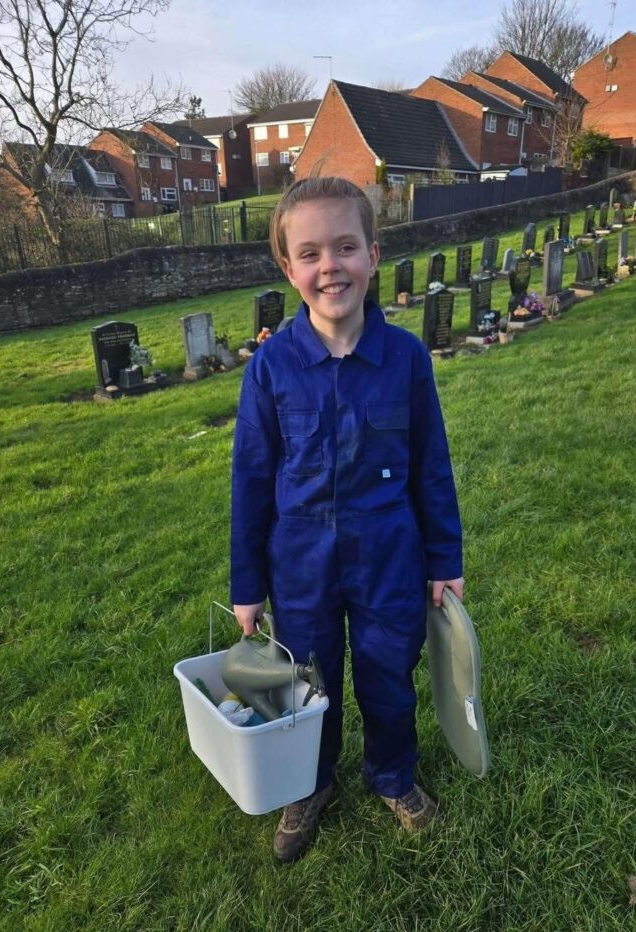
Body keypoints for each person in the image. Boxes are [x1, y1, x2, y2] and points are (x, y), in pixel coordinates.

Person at [230, 176, 463, 862]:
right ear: (288, 268)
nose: (329, 265)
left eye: (345, 246)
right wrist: (248, 585)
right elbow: (250, 481)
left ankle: (393, 774)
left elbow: (432, 467)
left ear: (373, 253)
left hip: (390, 552)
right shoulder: (271, 369)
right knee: (308, 677)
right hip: (299, 561)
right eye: (310, 253)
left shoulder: (407, 360)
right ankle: (310, 781)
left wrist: (444, 561)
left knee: (389, 669)